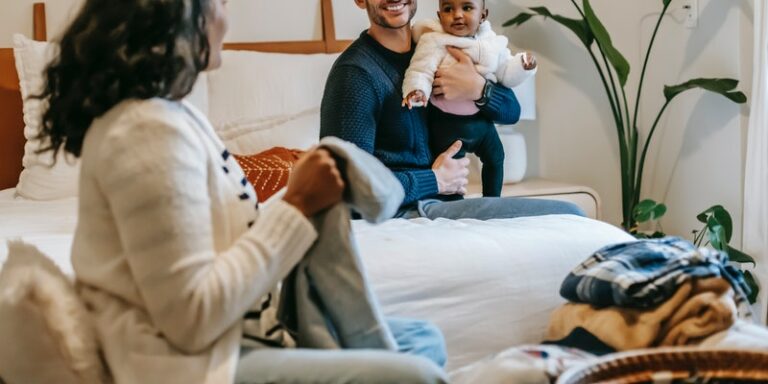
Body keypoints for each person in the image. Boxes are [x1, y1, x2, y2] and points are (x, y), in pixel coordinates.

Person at [36, 0, 447, 383]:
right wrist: (298, 205)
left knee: (424, 339)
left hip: (243, 330)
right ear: (180, 20)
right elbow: (192, 319)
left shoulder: (173, 115)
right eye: (220, 4)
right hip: (187, 362)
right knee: (413, 373)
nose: (224, 20)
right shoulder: (144, 134)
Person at [320, 0, 584, 220]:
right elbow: (347, 187)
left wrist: (479, 90)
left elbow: (512, 111)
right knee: (567, 216)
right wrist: (434, 180)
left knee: (570, 214)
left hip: (447, 207)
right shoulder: (355, 75)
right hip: (406, 213)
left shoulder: (438, 46)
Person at [401, 0, 537, 197]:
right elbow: (421, 69)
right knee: (450, 169)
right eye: (448, 9)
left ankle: (492, 200)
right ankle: (452, 203)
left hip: (480, 122)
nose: (457, 14)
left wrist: (524, 66)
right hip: (447, 124)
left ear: (483, 15)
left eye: (466, 8)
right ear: (439, 16)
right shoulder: (434, 41)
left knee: (496, 157)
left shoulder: (492, 44)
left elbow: (506, 72)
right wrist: (417, 90)